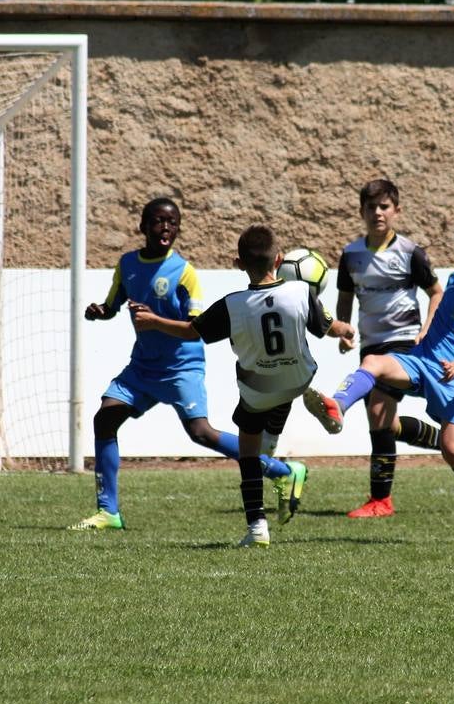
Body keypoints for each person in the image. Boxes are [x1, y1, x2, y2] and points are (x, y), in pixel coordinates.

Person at [70, 199, 307, 532]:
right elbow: (113, 305)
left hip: (182, 365)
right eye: (158, 221)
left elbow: (194, 327)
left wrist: (154, 320)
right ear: (142, 226)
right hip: (143, 367)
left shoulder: (184, 272)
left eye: (172, 222)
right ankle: (108, 511)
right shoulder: (127, 265)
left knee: (201, 433)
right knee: (105, 419)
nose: (166, 227)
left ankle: (283, 471)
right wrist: (100, 311)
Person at [133, 224, 354, 547]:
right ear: (279, 260)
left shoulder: (232, 304)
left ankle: (257, 528)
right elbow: (328, 326)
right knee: (282, 394)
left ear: (238, 264)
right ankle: (286, 434)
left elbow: (191, 331)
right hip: (299, 377)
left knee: (249, 454)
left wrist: (154, 322)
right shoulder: (301, 292)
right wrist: (345, 329)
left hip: (258, 391)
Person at [305, 223, 454, 545]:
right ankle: (336, 406)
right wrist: (426, 328)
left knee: (453, 450)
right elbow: (440, 304)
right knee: (373, 363)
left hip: (453, 380)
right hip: (421, 360)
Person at [336, 179, 454, 519]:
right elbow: (345, 298)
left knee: (379, 415)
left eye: (384, 206)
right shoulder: (351, 255)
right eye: (371, 207)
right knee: (388, 424)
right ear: (361, 212)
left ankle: (380, 500)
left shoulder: (411, 253)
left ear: (396, 211)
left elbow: (437, 292)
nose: (377, 213)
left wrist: (426, 329)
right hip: (370, 344)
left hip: (403, 341)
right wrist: (343, 330)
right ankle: (453, 442)